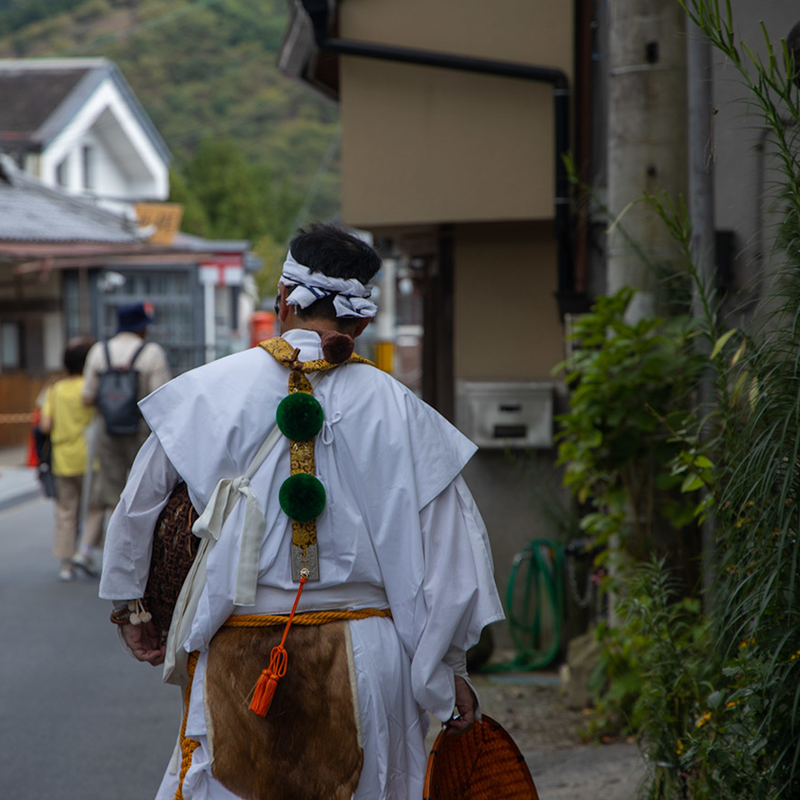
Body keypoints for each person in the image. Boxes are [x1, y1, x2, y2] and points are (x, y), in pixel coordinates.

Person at [97, 224, 505, 800]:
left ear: (284, 300)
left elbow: (137, 508)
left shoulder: (205, 393)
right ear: (361, 322)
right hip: (369, 653)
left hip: (240, 649)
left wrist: (132, 608)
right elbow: (451, 556)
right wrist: (447, 672)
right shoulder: (401, 410)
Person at [80, 303, 172, 568]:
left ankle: (113, 555)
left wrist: (111, 401)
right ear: (142, 328)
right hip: (141, 431)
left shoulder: (99, 351)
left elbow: (87, 397)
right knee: (145, 491)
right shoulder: (151, 353)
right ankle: (140, 554)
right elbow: (161, 397)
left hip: (107, 430)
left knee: (111, 492)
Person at [39, 337, 103, 581]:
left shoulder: (55, 389)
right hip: (90, 458)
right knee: (96, 507)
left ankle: (65, 565)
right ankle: (83, 551)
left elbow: (45, 426)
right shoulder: (91, 388)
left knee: (66, 512)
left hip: (62, 459)